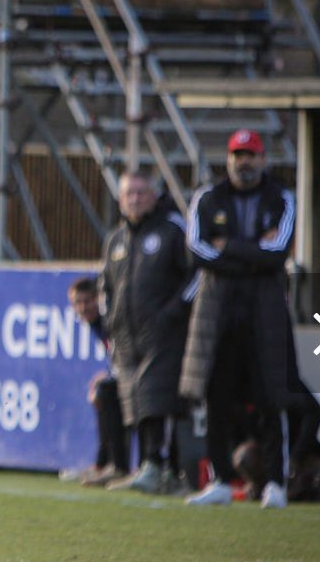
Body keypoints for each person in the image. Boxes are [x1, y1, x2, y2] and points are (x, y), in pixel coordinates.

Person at [181, 129, 299, 509]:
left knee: (271, 397)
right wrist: (253, 252)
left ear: (263, 159)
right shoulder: (207, 197)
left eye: (250, 155)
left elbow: (277, 252)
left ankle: (276, 483)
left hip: (265, 310)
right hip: (219, 312)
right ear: (227, 159)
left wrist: (228, 246)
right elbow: (197, 251)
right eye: (237, 155)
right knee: (218, 396)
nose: (243, 163)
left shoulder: (281, 196)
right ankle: (219, 479)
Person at [101, 170, 197, 495]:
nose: (135, 199)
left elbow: (197, 276)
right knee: (135, 399)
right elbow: (107, 286)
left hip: (164, 332)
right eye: (129, 193)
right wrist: (110, 319)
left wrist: (172, 312)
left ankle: (162, 466)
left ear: (154, 196)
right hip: (127, 334)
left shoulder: (172, 230)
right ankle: (148, 465)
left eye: (141, 193)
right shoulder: (116, 239)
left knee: (157, 396)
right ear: (120, 199)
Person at [61, 276, 130, 487]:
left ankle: (118, 466)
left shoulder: (109, 319)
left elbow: (126, 354)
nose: (82, 308)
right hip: (127, 375)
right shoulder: (96, 324)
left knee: (105, 391)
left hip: (140, 378)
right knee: (101, 390)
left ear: (98, 299)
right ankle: (102, 464)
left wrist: (112, 376)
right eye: (77, 303)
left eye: (87, 301)